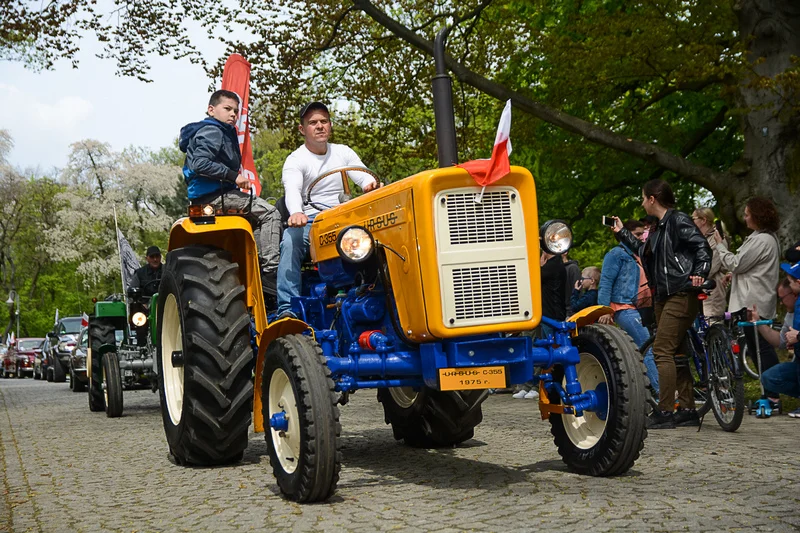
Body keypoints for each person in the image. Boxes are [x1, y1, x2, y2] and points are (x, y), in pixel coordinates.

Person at [613, 179, 711, 429]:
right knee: (676, 353)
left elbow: (702, 247)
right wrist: (622, 233)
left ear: (653, 199)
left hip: (680, 292)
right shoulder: (657, 228)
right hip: (663, 295)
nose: (642, 202)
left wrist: (700, 271)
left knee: (662, 350)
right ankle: (687, 409)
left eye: (644, 198)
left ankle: (666, 411)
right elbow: (644, 250)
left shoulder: (678, 220)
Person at [276, 102, 380, 319]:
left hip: (347, 219)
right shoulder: (296, 160)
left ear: (330, 126)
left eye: (324, 121)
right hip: (314, 222)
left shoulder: (343, 152)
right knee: (291, 239)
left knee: (385, 232)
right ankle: (287, 308)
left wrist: (370, 184)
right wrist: (296, 212)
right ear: (303, 130)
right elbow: (292, 189)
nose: (319, 126)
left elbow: (363, 176)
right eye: (313, 123)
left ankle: (379, 291)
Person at [179, 90, 282, 288]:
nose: (233, 114)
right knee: (270, 214)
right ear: (211, 109)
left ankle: (259, 268)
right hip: (215, 196)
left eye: (235, 111)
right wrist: (234, 176)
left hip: (215, 194)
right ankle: (270, 272)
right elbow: (199, 164)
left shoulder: (220, 132)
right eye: (227, 109)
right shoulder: (212, 130)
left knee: (256, 219)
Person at [714, 196, 781, 407]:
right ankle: (770, 392)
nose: (744, 218)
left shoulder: (762, 240)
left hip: (754, 302)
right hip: (752, 299)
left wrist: (720, 246)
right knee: (755, 349)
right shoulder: (760, 238)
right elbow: (749, 268)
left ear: (757, 216)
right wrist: (735, 276)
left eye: (747, 214)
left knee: (761, 349)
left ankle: (772, 394)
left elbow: (737, 263)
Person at [597, 219, 656, 390]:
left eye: (642, 234)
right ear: (626, 235)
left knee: (644, 349)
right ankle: (663, 395)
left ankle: (646, 390)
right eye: (637, 235)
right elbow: (606, 282)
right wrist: (605, 310)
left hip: (642, 309)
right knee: (647, 347)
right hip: (623, 307)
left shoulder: (641, 255)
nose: (642, 238)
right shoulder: (615, 255)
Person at [758, 266, 800, 417]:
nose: (781, 303)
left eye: (782, 298)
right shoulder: (791, 314)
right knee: (770, 377)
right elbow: (781, 341)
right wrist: (759, 323)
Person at [691, 207, 728, 320]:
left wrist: (692, 277)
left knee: (712, 325)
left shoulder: (717, 239)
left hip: (712, 290)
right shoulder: (700, 239)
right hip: (699, 290)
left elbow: (711, 267)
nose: (691, 222)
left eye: (693, 218)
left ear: (703, 220)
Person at [129, 246, 163, 346]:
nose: (155, 259)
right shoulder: (140, 273)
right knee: (139, 318)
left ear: (160, 257)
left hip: (165, 306)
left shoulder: (168, 271)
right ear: (147, 258)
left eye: (157, 256)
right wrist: (142, 303)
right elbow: (132, 290)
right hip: (145, 308)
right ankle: (142, 346)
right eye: (152, 257)